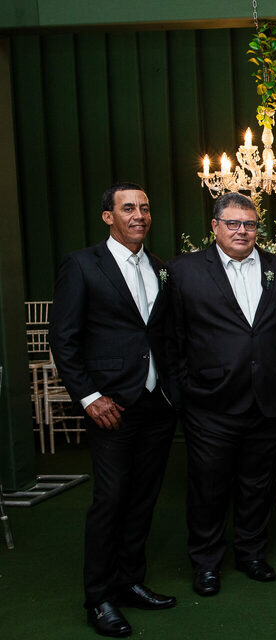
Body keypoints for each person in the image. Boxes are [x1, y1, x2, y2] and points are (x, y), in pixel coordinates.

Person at [50, 182, 178, 638]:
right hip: (110, 406)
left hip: (156, 404)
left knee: (143, 498)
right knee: (110, 500)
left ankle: (129, 582)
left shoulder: (160, 267)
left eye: (144, 207)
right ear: (109, 216)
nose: (139, 215)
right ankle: (99, 597)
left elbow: (160, 335)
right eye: (128, 208)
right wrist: (89, 397)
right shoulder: (82, 265)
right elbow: (63, 339)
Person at [167, 192, 276, 597]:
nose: (242, 231)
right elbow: (172, 338)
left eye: (250, 224)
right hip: (209, 402)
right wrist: (185, 389)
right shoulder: (183, 271)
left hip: (266, 400)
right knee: (209, 487)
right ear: (215, 227)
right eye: (233, 223)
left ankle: (251, 554)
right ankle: (206, 563)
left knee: (257, 485)